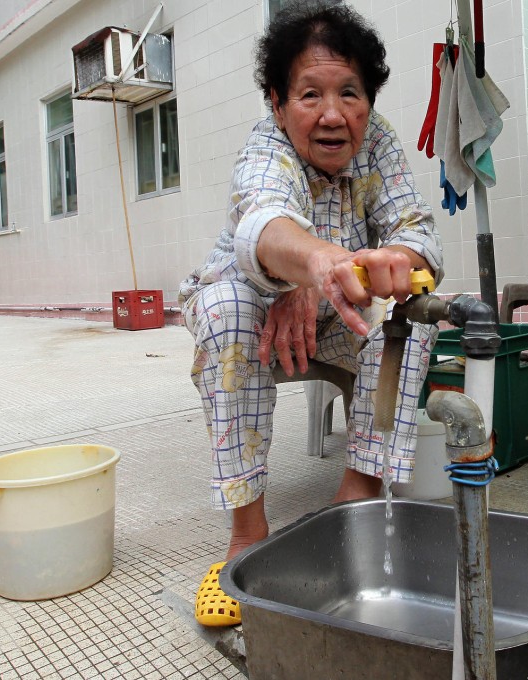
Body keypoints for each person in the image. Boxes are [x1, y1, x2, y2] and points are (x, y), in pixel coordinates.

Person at [178, 0, 442, 626]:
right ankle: (247, 533)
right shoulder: (266, 146)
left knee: (415, 314)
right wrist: (316, 266)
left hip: (339, 315)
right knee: (225, 312)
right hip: (254, 306)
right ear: (276, 100)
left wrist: (396, 259)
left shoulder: (378, 144)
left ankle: (356, 500)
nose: (332, 115)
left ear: (369, 101)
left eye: (350, 93)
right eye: (309, 95)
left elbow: (416, 228)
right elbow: (263, 223)